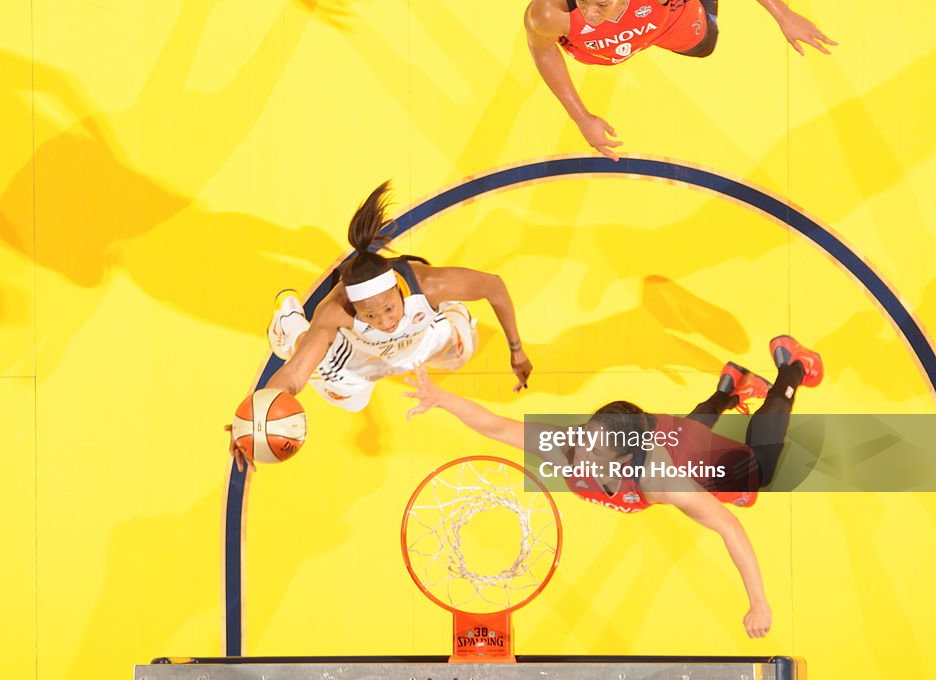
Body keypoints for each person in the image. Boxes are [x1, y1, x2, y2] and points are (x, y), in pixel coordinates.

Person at [403, 335, 824, 638]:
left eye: (593, 451)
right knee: (685, 429)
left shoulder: (662, 483)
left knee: (761, 471)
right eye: (584, 437)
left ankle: (793, 366)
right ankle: (729, 387)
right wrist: (443, 399)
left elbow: (729, 527)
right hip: (660, 432)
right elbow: (495, 426)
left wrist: (759, 602)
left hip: (689, 455)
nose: (579, 453)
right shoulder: (569, 447)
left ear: (624, 460)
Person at [229, 181, 533, 470]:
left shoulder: (429, 284)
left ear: (398, 290)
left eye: (389, 308)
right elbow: (293, 376)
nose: (385, 321)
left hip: (420, 336)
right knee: (348, 397)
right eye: (370, 316)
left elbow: (494, 287)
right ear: (354, 306)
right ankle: (289, 325)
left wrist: (516, 349)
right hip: (360, 349)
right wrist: (253, 420)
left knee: (462, 351)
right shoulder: (336, 311)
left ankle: (444, 312)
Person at [525, 0, 838, 159]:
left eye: (603, 3)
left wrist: (784, 15)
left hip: (671, 23)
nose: (591, 14)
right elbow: (542, 50)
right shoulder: (550, 14)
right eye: (584, 0)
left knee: (704, 45)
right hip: (608, 49)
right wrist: (580, 117)